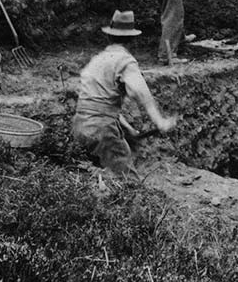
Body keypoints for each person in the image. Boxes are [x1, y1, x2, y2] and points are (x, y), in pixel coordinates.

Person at [70, 11, 177, 176]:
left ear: (109, 37)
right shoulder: (125, 61)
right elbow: (141, 93)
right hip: (101, 130)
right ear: (132, 40)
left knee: (93, 178)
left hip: (80, 126)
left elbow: (98, 102)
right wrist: (160, 121)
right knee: (126, 181)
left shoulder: (97, 60)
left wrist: (127, 129)